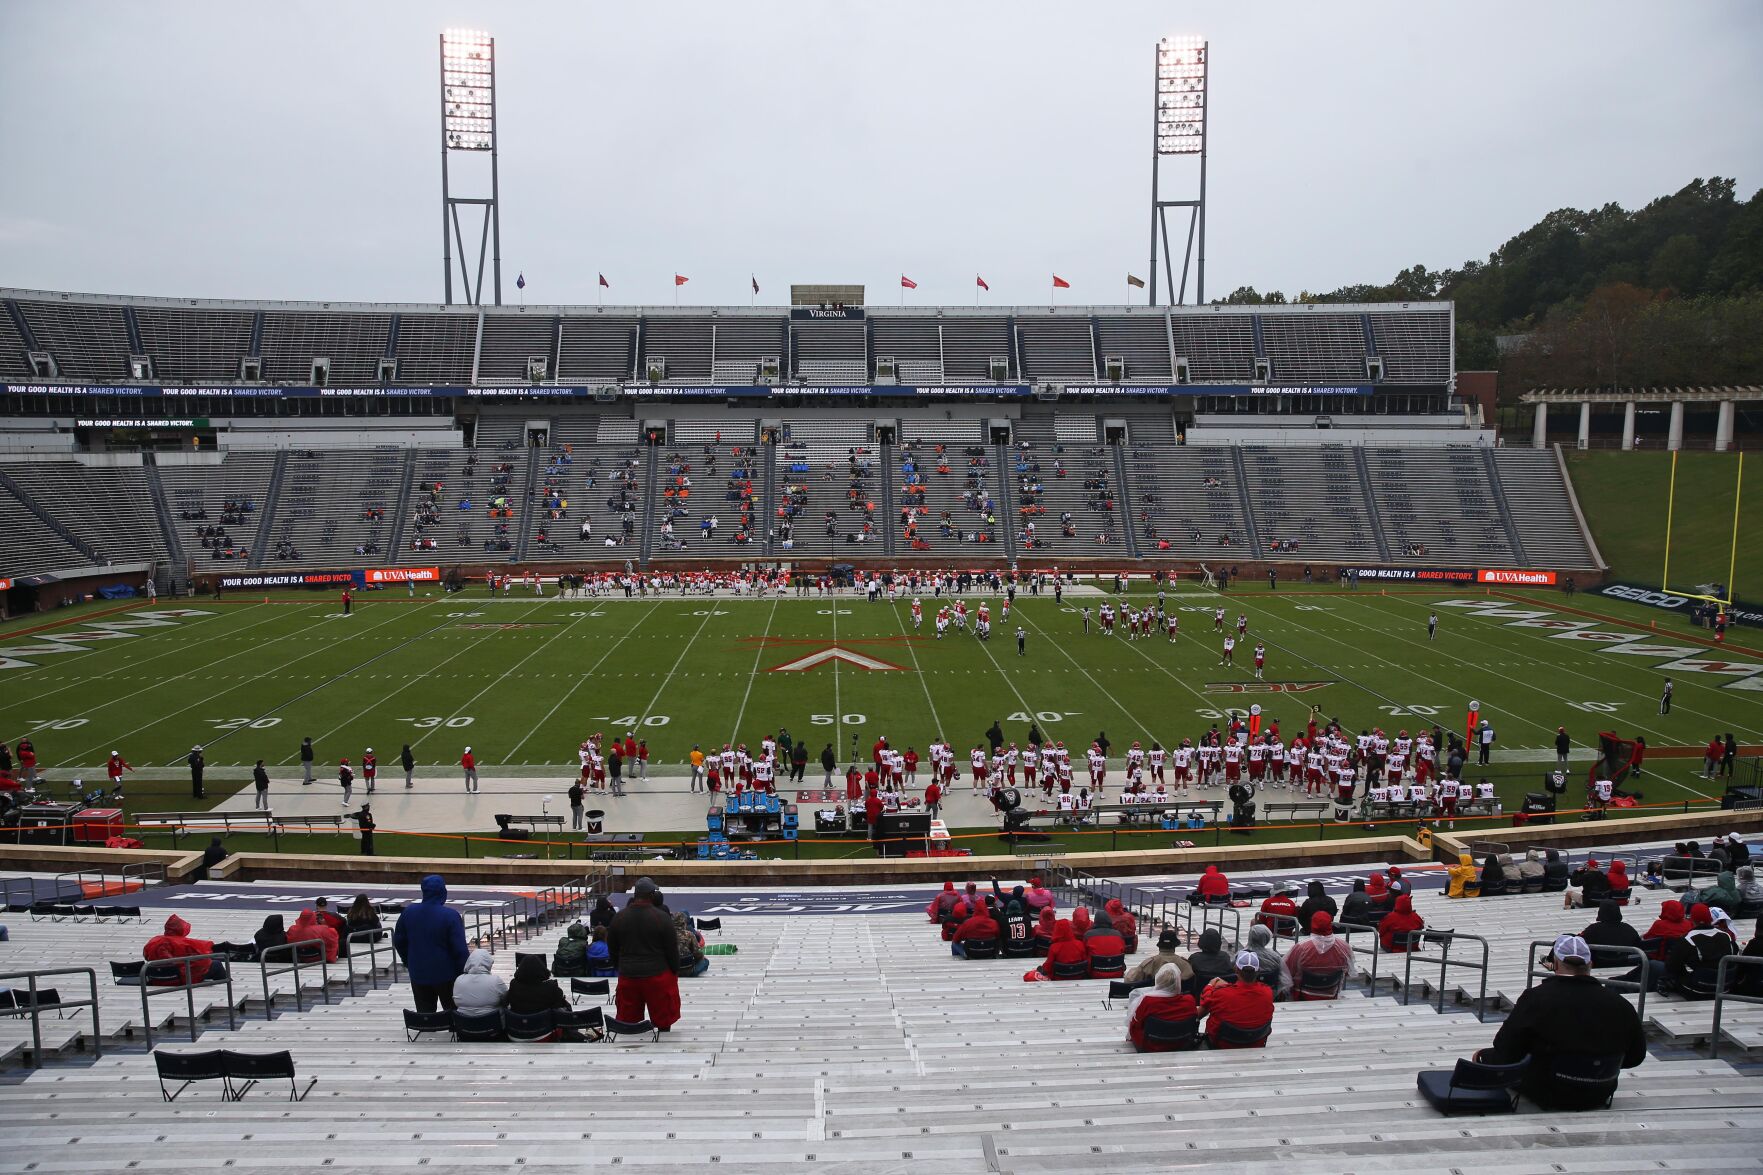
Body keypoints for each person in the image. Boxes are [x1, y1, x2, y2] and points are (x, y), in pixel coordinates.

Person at [1474, 934, 1646, 1109]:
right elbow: (1635, 1056)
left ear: (1555, 965)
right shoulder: (1620, 1004)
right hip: (1600, 1090)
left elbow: (1507, 1050)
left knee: (1483, 1057)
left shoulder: (1536, 998)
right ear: (1591, 965)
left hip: (1548, 1091)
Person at [607, 877, 682, 1030]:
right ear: (652, 895)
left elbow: (612, 948)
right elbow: (672, 949)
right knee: (663, 1023)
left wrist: (620, 967)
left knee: (628, 1023)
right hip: (657, 975)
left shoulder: (619, 917)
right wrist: (674, 970)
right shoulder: (661, 918)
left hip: (628, 974)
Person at [394, 874, 470, 1013]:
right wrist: (463, 973)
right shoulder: (450, 915)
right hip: (447, 975)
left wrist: (408, 961)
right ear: (443, 892)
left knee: (425, 1017)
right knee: (453, 1015)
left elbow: (399, 941)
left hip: (418, 973)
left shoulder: (409, 912)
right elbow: (460, 950)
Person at [1198, 951, 1275, 1048]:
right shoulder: (1267, 992)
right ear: (1258, 971)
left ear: (1236, 969)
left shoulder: (1221, 994)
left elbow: (1205, 1000)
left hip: (1221, 1046)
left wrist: (1210, 985)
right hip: (1256, 1043)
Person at [1126, 964, 1199, 1052]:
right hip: (1181, 1044)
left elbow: (1136, 1024)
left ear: (1158, 982)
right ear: (1178, 982)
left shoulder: (1148, 1001)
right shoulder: (1189, 1001)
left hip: (1151, 1046)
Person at [1666, 905, 1736, 995]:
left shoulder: (1687, 939)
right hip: (1725, 988)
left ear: (1692, 919)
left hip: (1698, 990)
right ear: (1710, 919)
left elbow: (1672, 966)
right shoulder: (1726, 936)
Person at [1284, 911, 1358, 994]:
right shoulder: (1344, 947)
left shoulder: (1301, 947)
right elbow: (1348, 972)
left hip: (1302, 994)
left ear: (1312, 924)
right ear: (1330, 924)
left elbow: (1287, 971)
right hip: (1331, 993)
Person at [144, 914, 225, 985]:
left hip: (156, 977)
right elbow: (203, 949)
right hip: (177, 978)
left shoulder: (154, 940)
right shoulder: (181, 942)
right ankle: (228, 986)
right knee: (216, 965)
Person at [1125, 927, 1196, 988]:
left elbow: (1130, 981)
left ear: (1159, 946)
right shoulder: (1185, 964)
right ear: (1175, 946)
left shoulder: (1148, 964)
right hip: (1179, 1001)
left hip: (1154, 1000)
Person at [453, 948, 507, 1015]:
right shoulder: (495, 981)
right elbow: (507, 997)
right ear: (488, 963)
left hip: (463, 1022)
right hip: (491, 1023)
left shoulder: (459, 980)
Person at [1245, 924, 1292, 997]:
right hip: (1270, 994)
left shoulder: (1240, 956)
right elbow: (1286, 980)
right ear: (1266, 938)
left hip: (1247, 993)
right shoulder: (1275, 956)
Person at [673, 911, 709, 977]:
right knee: (705, 961)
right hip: (688, 970)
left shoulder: (667, 935)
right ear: (684, 923)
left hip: (672, 971)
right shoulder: (690, 935)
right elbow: (697, 953)